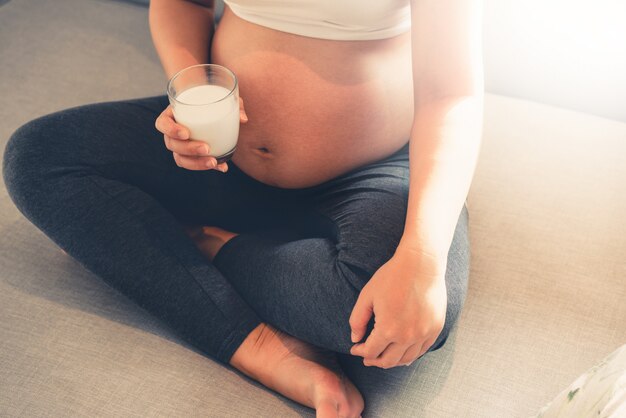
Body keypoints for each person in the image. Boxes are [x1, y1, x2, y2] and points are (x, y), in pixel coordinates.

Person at [2, 0, 483, 416]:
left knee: (394, 320)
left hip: (371, 169)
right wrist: (188, 94)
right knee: (40, 158)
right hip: (217, 161)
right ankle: (258, 347)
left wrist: (420, 254)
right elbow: (184, 4)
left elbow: (451, 93)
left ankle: (200, 242)